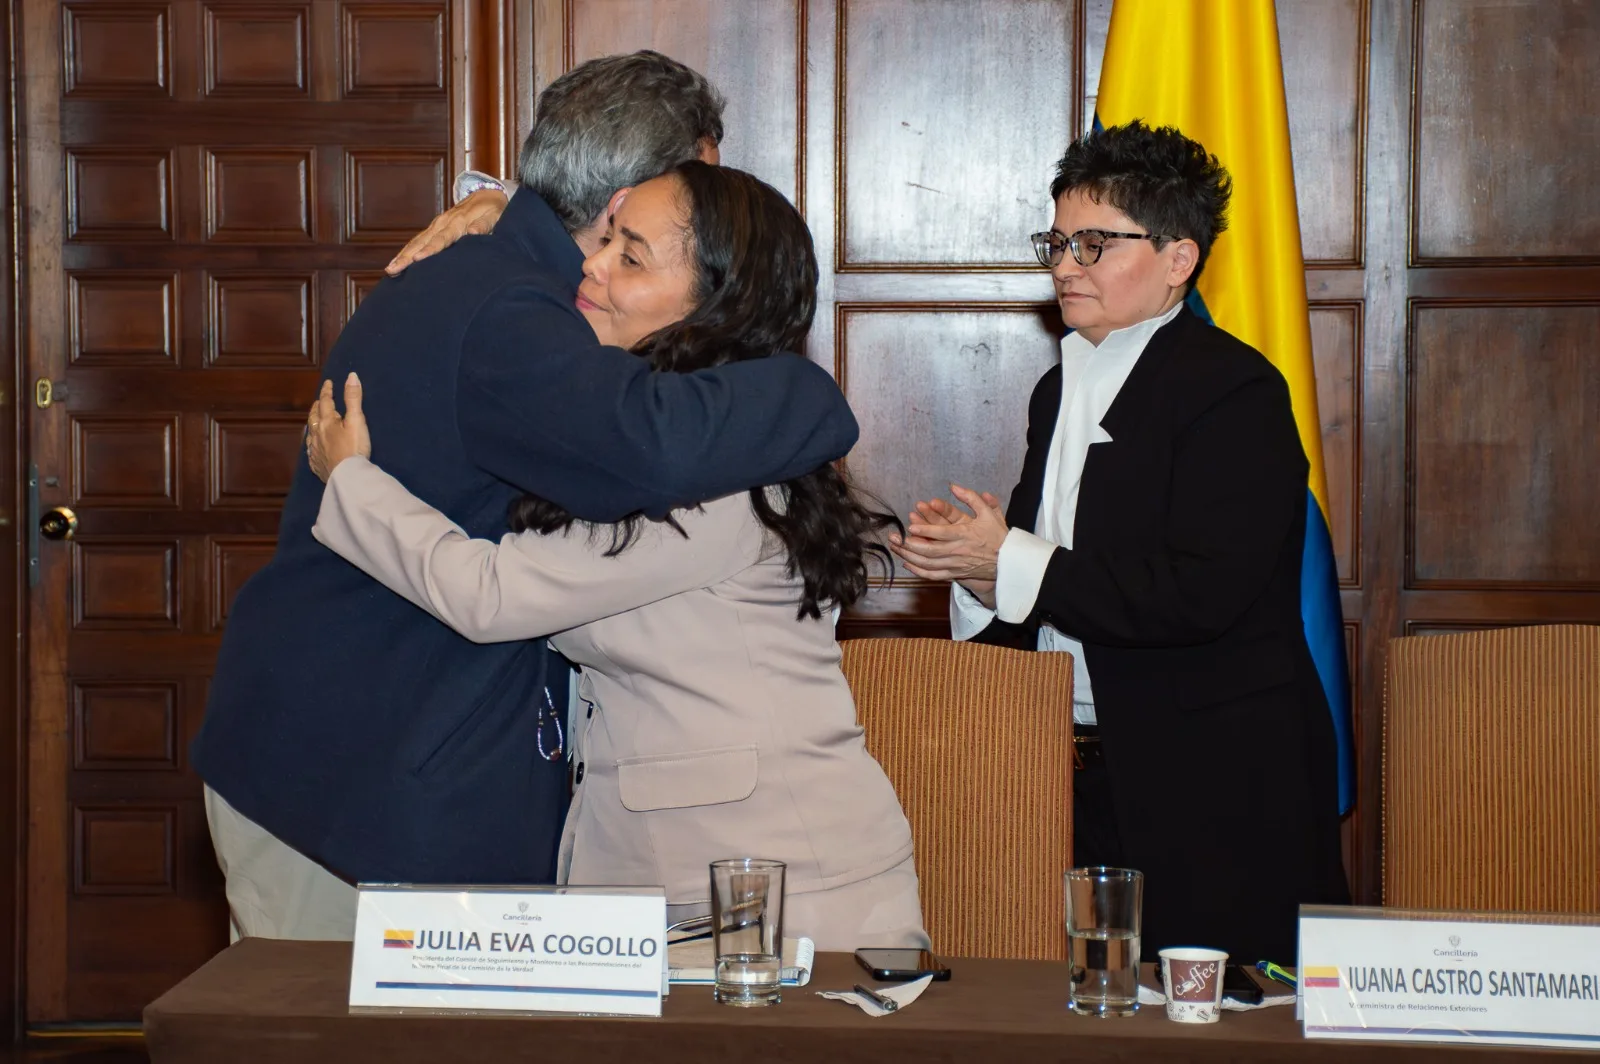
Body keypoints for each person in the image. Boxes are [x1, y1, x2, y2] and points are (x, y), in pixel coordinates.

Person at [191, 51, 861, 941]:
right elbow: (651, 448)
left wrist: (506, 205)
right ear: (624, 196)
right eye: (690, 179)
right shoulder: (517, 312)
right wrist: (812, 389)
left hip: (355, 759)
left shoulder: (499, 277)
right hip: (358, 784)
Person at [302, 161, 927, 952]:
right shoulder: (665, 431)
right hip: (678, 874)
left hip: (781, 880)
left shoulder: (715, 469)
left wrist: (353, 482)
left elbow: (491, 596)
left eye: (630, 256)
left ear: (717, 300)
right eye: (604, 240)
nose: (592, 266)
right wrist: (501, 205)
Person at [888, 121, 1348, 965]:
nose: (1065, 264)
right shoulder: (1054, 387)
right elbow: (1054, 573)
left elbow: (1199, 594)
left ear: (1180, 259)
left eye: (1095, 243)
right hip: (1066, 765)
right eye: (1058, 240)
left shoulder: (1235, 389)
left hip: (1213, 782)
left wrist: (1012, 560)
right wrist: (978, 571)